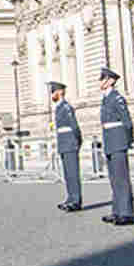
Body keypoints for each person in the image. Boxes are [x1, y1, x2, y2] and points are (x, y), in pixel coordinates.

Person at [98, 67, 134, 225]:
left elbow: (127, 122)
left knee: (122, 178)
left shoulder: (117, 98)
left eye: (103, 79)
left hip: (118, 141)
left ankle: (126, 213)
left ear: (111, 81)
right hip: (110, 141)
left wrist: (127, 141)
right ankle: (117, 210)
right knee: (114, 179)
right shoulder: (106, 98)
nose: (101, 82)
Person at [51, 81, 83, 211]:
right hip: (64, 143)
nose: (52, 95)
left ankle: (76, 201)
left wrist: (77, 141)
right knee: (68, 174)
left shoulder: (66, 107)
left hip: (70, 143)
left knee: (73, 173)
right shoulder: (59, 107)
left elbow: (74, 126)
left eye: (53, 92)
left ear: (59, 92)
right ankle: (70, 198)